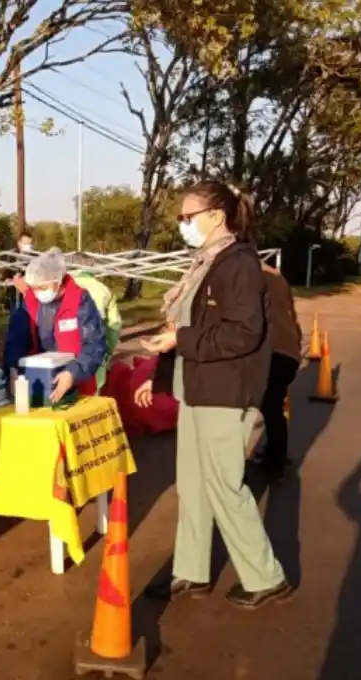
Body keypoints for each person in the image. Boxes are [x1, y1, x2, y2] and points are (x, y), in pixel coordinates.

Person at [134, 180, 290, 609]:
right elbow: (185, 329)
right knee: (194, 485)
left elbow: (241, 333)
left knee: (224, 485)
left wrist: (178, 341)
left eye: (188, 217)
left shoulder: (236, 264)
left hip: (224, 391)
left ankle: (265, 576)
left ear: (216, 217)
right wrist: (160, 374)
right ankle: (192, 570)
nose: (183, 225)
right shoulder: (206, 263)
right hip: (197, 389)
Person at [4, 249, 108, 402]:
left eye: (43, 288)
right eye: (34, 288)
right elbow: (17, 339)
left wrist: (73, 372)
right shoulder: (30, 303)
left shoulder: (80, 301)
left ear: (58, 282)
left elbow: (94, 343)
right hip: (39, 382)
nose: (37, 292)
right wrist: (12, 368)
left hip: (79, 386)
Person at [254, 261, 302, 481]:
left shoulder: (248, 275)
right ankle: (275, 454)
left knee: (268, 407)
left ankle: (275, 463)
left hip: (270, 351)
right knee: (273, 406)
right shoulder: (279, 278)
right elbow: (291, 314)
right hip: (289, 351)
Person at [67, 251, 123, 391]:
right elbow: (114, 326)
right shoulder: (103, 290)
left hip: (64, 354)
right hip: (95, 352)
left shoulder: (62, 287)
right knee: (92, 398)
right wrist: (108, 350)